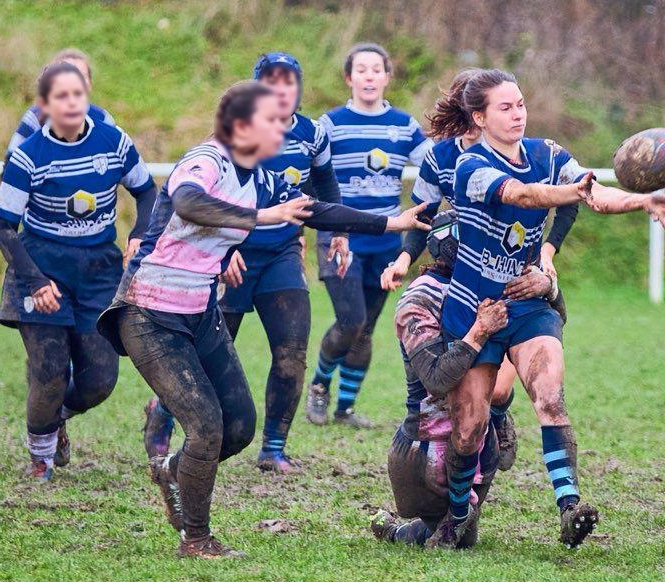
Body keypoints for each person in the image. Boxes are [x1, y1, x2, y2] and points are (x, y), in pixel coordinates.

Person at [97, 81, 429, 558]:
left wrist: (390, 223)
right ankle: (196, 538)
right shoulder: (206, 161)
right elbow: (188, 202)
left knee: (239, 428)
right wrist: (265, 215)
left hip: (198, 310)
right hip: (149, 311)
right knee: (207, 426)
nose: (281, 128)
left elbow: (311, 208)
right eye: (271, 120)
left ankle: (172, 470)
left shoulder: (261, 175)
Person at [439, 68, 665, 549]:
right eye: (505, 107)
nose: (518, 113)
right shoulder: (470, 167)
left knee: (549, 396)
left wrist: (640, 198)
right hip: (474, 310)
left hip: (528, 305)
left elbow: (594, 192)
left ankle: (570, 507)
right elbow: (523, 194)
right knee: (469, 428)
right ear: (479, 116)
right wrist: (576, 192)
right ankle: (458, 518)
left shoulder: (548, 154)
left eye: (521, 103)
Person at [379, 69, 578, 473]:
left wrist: (548, 255)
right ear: (474, 114)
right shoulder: (443, 158)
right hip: (455, 275)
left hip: (507, 276)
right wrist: (403, 260)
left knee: (502, 388)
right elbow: (422, 215)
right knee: (457, 385)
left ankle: (499, 421)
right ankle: (441, 440)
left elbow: (561, 199)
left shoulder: (521, 154)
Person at [0, 62, 157, 481]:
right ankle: (41, 458)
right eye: (60, 96)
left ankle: (54, 417)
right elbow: (3, 226)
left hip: (98, 269)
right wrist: (35, 281)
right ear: (44, 104)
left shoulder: (112, 141)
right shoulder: (29, 156)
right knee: (48, 372)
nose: (71, 103)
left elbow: (147, 190)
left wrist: (139, 232)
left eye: (77, 94)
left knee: (100, 379)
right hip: (42, 267)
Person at [371, 210, 554, 549]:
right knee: (449, 538)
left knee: (461, 540)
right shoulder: (419, 298)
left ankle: (498, 417)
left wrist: (549, 287)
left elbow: (550, 323)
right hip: (427, 449)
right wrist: (480, 331)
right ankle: (396, 531)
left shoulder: (496, 285)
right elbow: (437, 381)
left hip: (477, 441)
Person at [306, 42, 435, 428]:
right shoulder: (328, 125)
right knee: (350, 320)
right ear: (349, 78)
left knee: (366, 330)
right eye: (360, 69)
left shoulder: (403, 125)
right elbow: (308, 171)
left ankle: (345, 409)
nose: (368, 76)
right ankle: (318, 386)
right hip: (341, 239)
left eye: (376, 69)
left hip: (386, 243)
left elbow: (436, 162)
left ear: (386, 76)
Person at [5, 49, 115, 164]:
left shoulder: (102, 118)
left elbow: (120, 163)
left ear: (90, 85)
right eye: (66, 74)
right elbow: (11, 164)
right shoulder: (35, 118)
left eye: (82, 76)